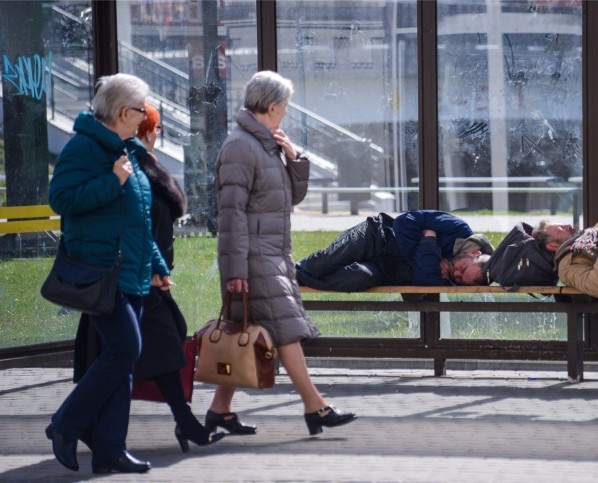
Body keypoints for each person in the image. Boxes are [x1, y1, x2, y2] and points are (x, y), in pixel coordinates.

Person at [208, 71, 356, 437]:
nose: (286, 113)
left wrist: (295, 158)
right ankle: (315, 407)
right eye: (285, 107)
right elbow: (231, 216)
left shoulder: (266, 144)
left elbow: (289, 199)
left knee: (251, 332)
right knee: (286, 330)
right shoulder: (240, 147)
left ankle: (219, 411)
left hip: (270, 256)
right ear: (272, 106)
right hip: (255, 259)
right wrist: (235, 270)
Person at [46, 74, 169, 474]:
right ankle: (66, 424)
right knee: (124, 350)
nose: (145, 117)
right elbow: (62, 199)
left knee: (123, 361)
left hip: (129, 271)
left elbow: (139, 219)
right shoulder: (85, 148)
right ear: (122, 112)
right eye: (142, 110)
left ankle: (110, 450)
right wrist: (111, 181)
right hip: (101, 272)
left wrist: (156, 266)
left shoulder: (127, 150)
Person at [129, 103, 226, 451]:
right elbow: (140, 228)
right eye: (157, 129)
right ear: (148, 132)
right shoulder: (134, 167)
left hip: (147, 275)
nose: (158, 136)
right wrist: (155, 268)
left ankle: (182, 422)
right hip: (139, 277)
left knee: (149, 348)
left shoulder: (141, 166)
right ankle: (184, 422)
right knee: (160, 346)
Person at [296, 210, 493, 291]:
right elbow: (403, 223)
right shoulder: (458, 229)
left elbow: (425, 280)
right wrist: (424, 260)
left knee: (355, 278)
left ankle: (292, 278)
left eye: (459, 280)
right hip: (374, 235)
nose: (455, 274)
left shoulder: (445, 276)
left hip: (383, 271)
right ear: (474, 253)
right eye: (463, 269)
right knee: (323, 263)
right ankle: (288, 274)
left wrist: (429, 242)